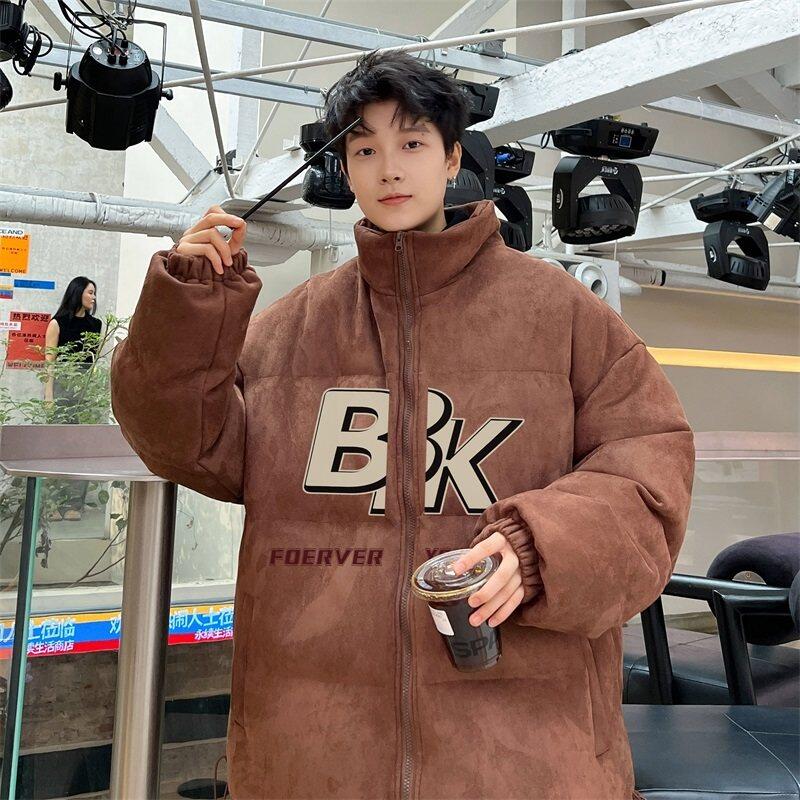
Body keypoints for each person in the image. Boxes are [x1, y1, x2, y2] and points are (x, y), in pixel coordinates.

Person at [110, 50, 695, 800]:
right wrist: (188, 310)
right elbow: (187, 446)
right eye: (365, 150)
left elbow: (650, 467)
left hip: (520, 745)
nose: (389, 169)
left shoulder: (562, 314)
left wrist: (538, 547)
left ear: (452, 159)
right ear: (345, 170)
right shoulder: (291, 327)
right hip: (315, 740)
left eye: (412, 143)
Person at [44, 277, 102, 521]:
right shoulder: (57, 323)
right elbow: (49, 363)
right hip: (61, 389)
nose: (93, 297)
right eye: (90, 292)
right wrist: (49, 396)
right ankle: (51, 503)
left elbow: (95, 362)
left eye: (95, 293)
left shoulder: (96, 325)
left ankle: (74, 504)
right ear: (77, 293)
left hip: (84, 392)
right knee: (58, 447)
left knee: (81, 448)